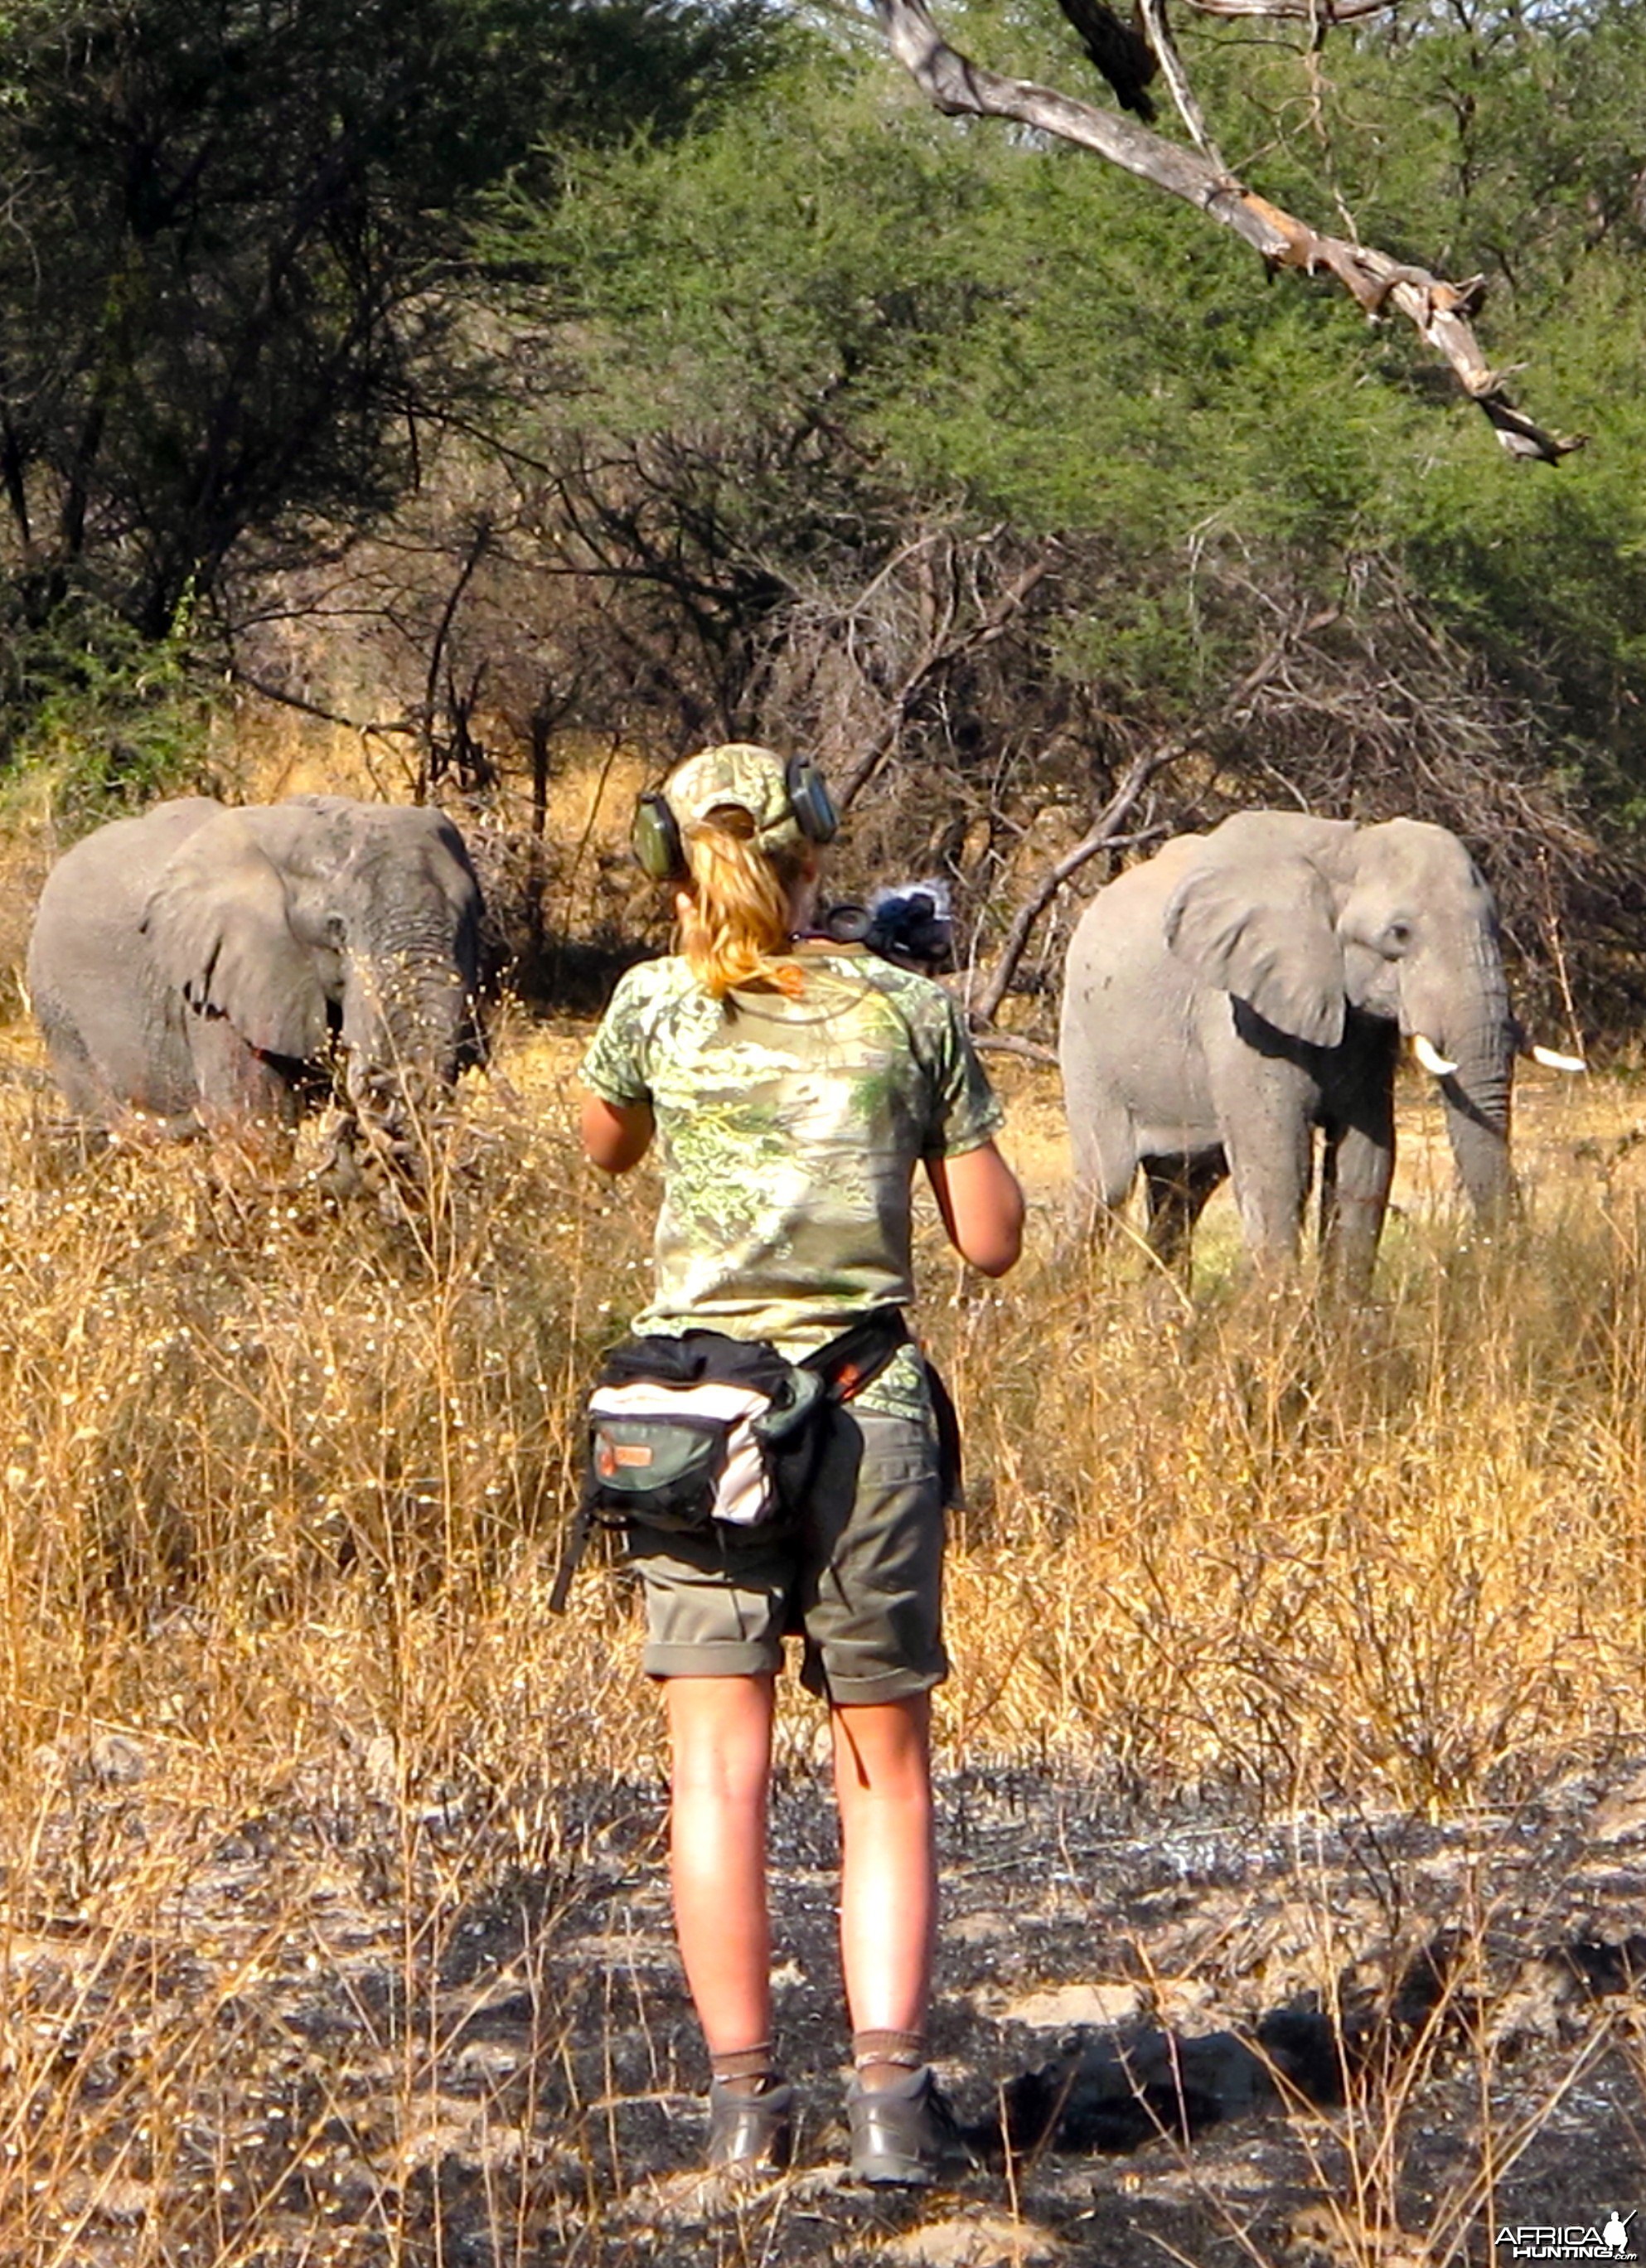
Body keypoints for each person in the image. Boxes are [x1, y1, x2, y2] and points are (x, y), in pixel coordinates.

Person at [577, 742, 1024, 2186]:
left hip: (691, 1432)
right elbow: (993, 1237)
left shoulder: (651, 1003)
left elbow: (604, 1147)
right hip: (865, 1414)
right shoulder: (906, 1007)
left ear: (672, 861)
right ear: (818, 850)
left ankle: (741, 2109)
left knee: (716, 1776)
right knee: (882, 1772)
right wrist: (916, 1038)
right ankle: (891, 2103)